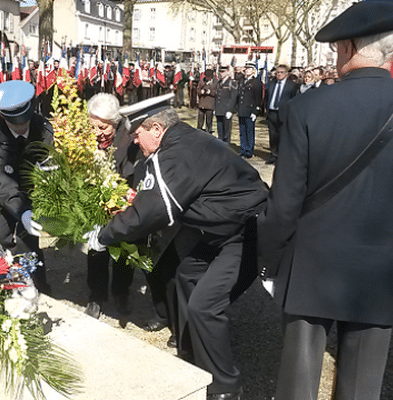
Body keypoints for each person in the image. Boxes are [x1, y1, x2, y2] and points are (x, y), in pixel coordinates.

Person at [257, 1, 393, 399]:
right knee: (362, 388)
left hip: (311, 261)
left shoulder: (306, 107)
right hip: (378, 265)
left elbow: (285, 203)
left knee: (297, 384)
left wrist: (270, 260)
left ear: (347, 48)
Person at [85, 93, 269, 400]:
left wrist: (104, 236)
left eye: (137, 133)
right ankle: (191, 358)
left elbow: (151, 211)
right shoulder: (182, 140)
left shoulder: (174, 154)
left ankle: (226, 387)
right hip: (223, 231)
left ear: (156, 129)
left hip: (249, 230)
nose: (133, 141)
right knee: (186, 276)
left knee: (204, 305)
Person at [0, 80, 53, 295]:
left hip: (34, 193)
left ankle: (39, 287)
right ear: (2, 117)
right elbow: (0, 181)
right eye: (15, 123)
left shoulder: (43, 128)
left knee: (29, 244)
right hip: (6, 199)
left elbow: (50, 162)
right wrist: (22, 212)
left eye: (24, 121)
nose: (22, 126)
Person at [84, 93, 138, 319]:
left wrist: (119, 195)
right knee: (96, 252)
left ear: (115, 124)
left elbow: (131, 173)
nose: (98, 132)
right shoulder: (83, 137)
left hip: (121, 203)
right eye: (93, 125)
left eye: (104, 127)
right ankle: (96, 296)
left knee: (124, 253)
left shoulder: (127, 139)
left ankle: (121, 293)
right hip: (94, 204)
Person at [264, 64, 298, 164]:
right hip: (272, 113)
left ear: (286, 74)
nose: (279, 74)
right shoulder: (272, 83)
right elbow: (267, 97)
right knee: (272, 135)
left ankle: (281, 157)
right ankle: (273, 155)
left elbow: (294, 100)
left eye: (281, 72)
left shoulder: (292, 86)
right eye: (277, 72)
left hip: (284, 114)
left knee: (282, 136)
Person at [237, 62, 262, 158]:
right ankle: (243, 148)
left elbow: (258, 98)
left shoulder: (256, 82)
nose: (246, 71)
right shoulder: (242, 80)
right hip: (242, 109)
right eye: (246, 69)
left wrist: (255, 111)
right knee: (242, 131)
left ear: (253, 71)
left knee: (249, 132)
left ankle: (249, 150)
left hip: (250, 110)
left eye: (249, 69)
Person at [214, 65, 238, 143]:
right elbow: (217, 96)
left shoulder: (232, 82)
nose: (221, 73)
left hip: (226, 110)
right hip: (219, 110)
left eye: (223, 72)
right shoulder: (219, 82)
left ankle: (226, 147)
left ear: (228, 72)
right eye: (220, 72)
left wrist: (230, 110)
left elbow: (233, 97)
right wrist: (215, 108)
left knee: (226, 132)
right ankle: (220, 146)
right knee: (220, 131)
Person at [197, 69, 216, 134]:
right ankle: (199, 131)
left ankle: (208, 131)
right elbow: (198, 90)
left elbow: (217, 92)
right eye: (207, 76)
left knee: (209, 120)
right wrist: (201, 91)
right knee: (200, 119)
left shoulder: (216, 82)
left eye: (209, 77)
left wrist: (210, 92)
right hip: (202, 103)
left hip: (210, 104)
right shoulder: (202, 82)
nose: (208, 78)